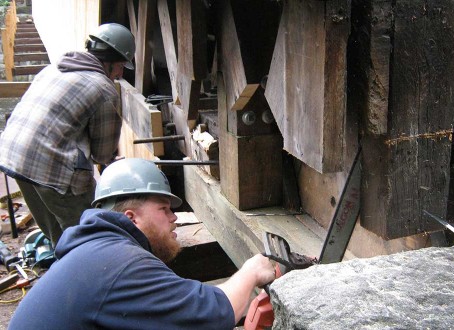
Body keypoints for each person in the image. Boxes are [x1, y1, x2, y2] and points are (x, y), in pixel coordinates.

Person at [8, 158, 276, 329]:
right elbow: (214, 314)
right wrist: (252, 271)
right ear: (131, 217)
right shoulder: (121, 263)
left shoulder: (97, 252)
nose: (174, 218)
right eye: (163, 209)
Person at [0, 23, 135, 246]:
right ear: (110, 61)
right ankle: (92, 276)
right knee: (89, 235)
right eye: (121, 66)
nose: (121, 73)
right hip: (52, 169)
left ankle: (66, 270)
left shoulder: (54, 69)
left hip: (15, 158)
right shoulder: (103, 88)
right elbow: (103, 154)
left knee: (59, 238)